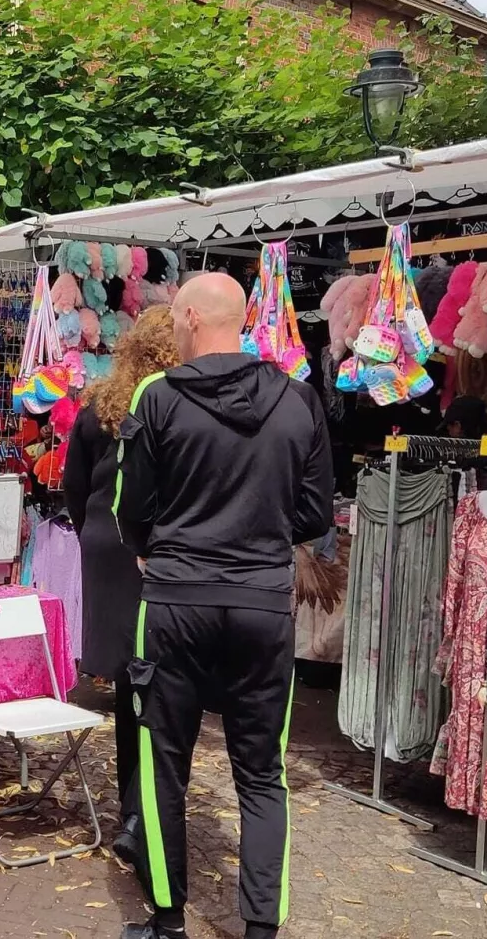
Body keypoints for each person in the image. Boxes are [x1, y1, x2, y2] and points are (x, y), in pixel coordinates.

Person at [113, 273, 333, 939]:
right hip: (262, 605)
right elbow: (316, 512)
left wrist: (154, 550)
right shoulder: (299, 401)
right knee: (263, 774)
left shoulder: (158, 396)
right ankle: (261, 929)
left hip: (176, 601)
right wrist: (259, 542)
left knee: (163, 763)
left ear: (187, 318)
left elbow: (130, 506)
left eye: (174, 320)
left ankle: (168, 922)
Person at [62, 305, 178, 822]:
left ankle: (135, 807)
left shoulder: (100, 403)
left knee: (130, 670)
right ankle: (144, 805)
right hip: (152, 543)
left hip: (105, 537)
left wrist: (93, 527)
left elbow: (75, 483)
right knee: (155, 669)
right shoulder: (178, 403)